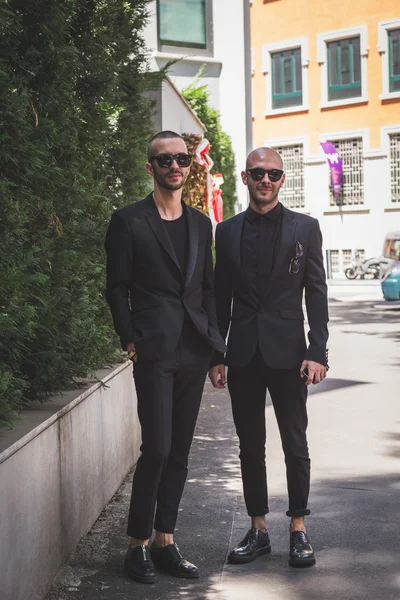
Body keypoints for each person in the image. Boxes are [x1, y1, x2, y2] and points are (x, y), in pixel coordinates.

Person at [105, 130, 226, 584]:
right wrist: (129, 337)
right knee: (156, 447)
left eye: (182, 158)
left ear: (190, 165)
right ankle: (135, 545)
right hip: (154, 349)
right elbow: (116, 287)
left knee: (178, 451)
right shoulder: (128, 220)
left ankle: (165, 541)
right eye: (164, 160)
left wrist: (216, 351)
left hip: (194, 349)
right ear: (150, 167)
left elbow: (208, 291)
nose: (175, 166)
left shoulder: (201, 224)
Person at [209, 147, 329, 568]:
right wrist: (216, 354)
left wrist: (318, 351)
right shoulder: (225, 232)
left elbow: (315, 292)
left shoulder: (305, 228)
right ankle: (258, 529)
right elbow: (219, 296)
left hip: (290, 354)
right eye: (258, 173)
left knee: (295, 444)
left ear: (282, 180)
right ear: (245, 178)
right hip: (242, 353)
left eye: (274, 174)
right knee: (250, 446)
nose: (266, 180)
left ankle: (298, 528)